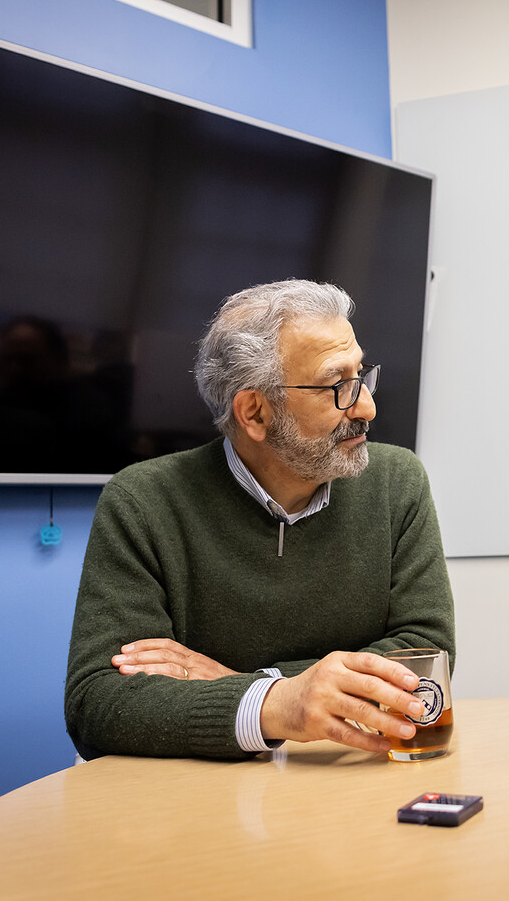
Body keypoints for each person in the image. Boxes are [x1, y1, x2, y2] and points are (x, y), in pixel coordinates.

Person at [65, 280, 455, 761]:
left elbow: (425, 654)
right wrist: (278, 703)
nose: (367, 408)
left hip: (348, 783)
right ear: (254, 412)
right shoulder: (143, 501)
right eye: (338, 386)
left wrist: (255, 689)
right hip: (197, 806)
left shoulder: (397, 480)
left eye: (362, 375)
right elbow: (98, 704)